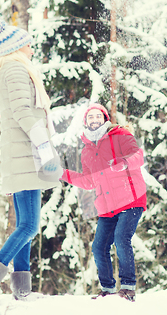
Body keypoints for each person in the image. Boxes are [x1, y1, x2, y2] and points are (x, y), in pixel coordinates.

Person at [0, 19, 62, 303]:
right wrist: (42, 140)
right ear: (16, 46)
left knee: (26, 222)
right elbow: (23, 110)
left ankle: (22, 290)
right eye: (28, 42)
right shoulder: (14, 67)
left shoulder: (14, 67)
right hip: (27, 153)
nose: (32, 48)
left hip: (24, 154)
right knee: (29, 225)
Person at [60, 103, 147, 302]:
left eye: (98, 116)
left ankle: (127, 287)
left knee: (121, 239)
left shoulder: (120, 135)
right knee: (99, 247)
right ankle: (107, 289)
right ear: (86, 122)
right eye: (90, 117)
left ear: (105, 119)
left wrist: (124, 162)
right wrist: (63, 174)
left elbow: (138, 156)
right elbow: (89, 181)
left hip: (131, 198)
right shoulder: (87, 151)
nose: (94, 120)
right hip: (107, 206)